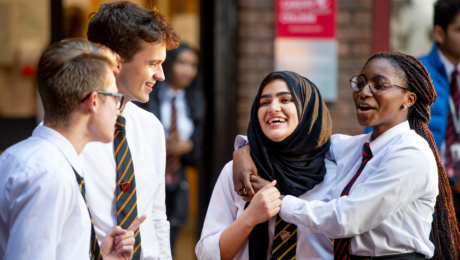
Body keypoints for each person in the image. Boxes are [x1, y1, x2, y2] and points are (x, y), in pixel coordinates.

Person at [233, 52, 460, 259]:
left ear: (408, 100)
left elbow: (346, 219)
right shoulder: (355, 147)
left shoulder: (411, 154)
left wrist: (277, 201)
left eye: (378, 85)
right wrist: (244, 150)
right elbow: (301, 143)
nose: (363, 92)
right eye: (360, 83)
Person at [0, 39, 146, 259]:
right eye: (115, 97)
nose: (118, 110)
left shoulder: (18, 156)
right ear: (94, 101)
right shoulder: (50, 175)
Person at [196, 71, 338, 259]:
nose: (273, 108)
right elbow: (206, 254)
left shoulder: (335, 174)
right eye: (264, 103)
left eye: (285, 100)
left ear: (308, 108)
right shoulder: (237, 172)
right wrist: (249, 218)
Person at [79, 2, 180, 260]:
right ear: (115, 60)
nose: (161, 75)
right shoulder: (72, 130)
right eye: (153, 63)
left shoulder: (151, 128)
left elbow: (157, 216)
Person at [136, 43, 205, 249]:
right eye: (182, 63)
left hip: (178, 179)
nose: (187, 70)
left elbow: (200, 148)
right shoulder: (149, 94)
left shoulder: (196, 100)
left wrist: (190, 146)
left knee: (169, 238)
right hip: (148, 174)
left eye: (193, 65)